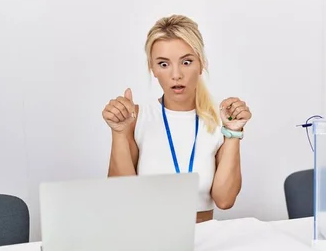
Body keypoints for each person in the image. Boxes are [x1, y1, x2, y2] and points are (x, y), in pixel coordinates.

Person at [101, 15, 251, 223]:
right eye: (163, 64)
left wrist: (234, 133)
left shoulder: (221, 121)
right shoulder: (136, 118)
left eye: (186, 62)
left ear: (202, 63)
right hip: (149, 242)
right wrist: (119, 132)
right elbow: (122, 196)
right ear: (152, 68)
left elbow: (224, 200)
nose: (176, 74)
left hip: (204, 241)